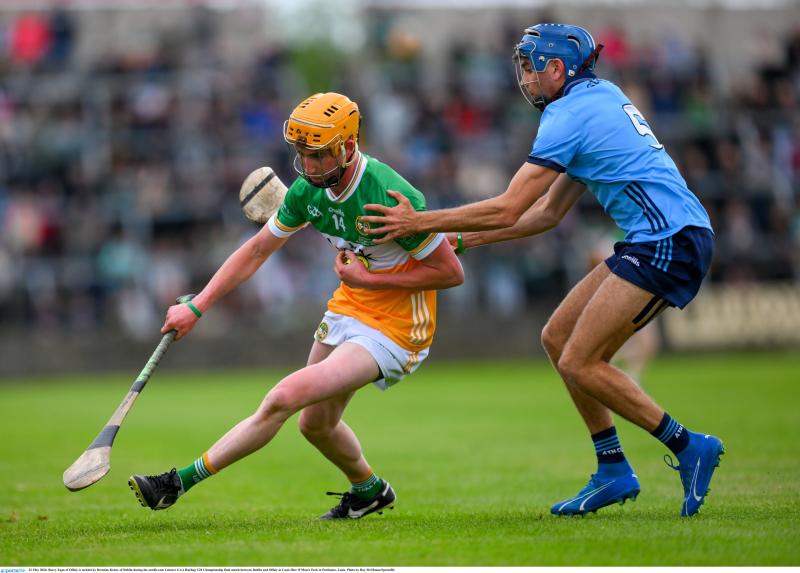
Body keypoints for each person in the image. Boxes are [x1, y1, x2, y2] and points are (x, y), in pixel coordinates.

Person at [360, 24, 724, 517]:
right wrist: (461, 239)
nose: (525, 77)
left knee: (579, 360)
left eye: (531, 66)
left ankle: (688, 447)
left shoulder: (567, 114)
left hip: (668, 241)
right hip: (659, 237)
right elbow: (546, 214)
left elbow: (510, 207)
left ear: (558, 69)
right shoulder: (600, 95)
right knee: (558, 339)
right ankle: (613, 469)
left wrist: (418, 221)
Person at [128, 92, 464, 519]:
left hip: (396, 328)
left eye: (318, 155)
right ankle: (370, 491)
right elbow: (255, 251)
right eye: (301, 154)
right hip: (348, 308)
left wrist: (369, 277)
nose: (307, 166)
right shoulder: (308, 191)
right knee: (315, 425)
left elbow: (451, 274)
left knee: (284, 396)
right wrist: (197, 306)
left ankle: (176, 483)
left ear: (346, 147)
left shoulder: (390, 193)